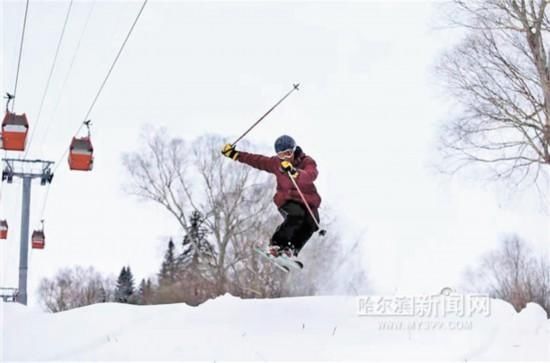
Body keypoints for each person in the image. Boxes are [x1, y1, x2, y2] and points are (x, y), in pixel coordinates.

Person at [221, 135, 321, 258]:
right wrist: (234, 154)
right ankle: (276, 244)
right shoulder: (276, 163)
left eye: (288, 153)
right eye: (281, 155)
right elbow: (257, 160)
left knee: (312, 224)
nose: (285, 158)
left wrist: (295, 173)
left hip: (308, 202)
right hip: (287, 199)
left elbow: (311, 175)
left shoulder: (307, 161)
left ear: (294, 150)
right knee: (296, 215)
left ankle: (291, 249)